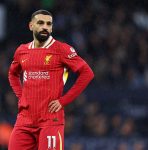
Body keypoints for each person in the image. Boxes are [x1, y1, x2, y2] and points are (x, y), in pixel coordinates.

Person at [8, 9, 94, 150]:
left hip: (50, 120)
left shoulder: (62, 49)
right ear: (31, 26)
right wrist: (20, 95)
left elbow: (87, 73)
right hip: (24, 121)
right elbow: (12, 74)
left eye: (49, 24)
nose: (45, 27)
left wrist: (63, 101)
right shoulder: (22, 51)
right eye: (41, 23)